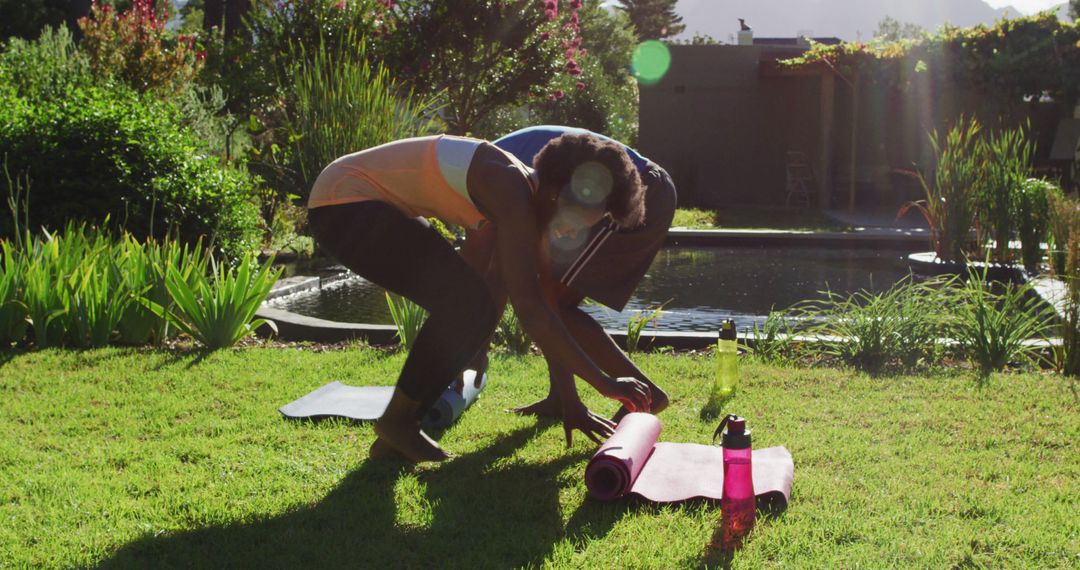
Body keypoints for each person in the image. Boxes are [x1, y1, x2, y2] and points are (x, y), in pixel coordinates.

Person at [307, 133, 654, 463]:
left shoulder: (515, 194)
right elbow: (530, 309)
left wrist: (471, 346)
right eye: (574, 222)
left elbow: (483, 281)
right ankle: (397, 423)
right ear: (558, 193)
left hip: (363, 203)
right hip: (345, 202)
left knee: (469, 305)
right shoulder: (509, 190)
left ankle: (393, 437)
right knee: (466, 304)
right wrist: (604, 382)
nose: (573, 232)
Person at [461, 126, 676, 442]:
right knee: (549, 300)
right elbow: (495, 273)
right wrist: (477, 347)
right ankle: (560, 399)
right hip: (597, 186)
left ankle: (645, 396)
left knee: (555, 303)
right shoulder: (489, 177)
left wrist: (476, 347)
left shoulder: (497, 183)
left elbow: (514, 282)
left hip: (635, 190)